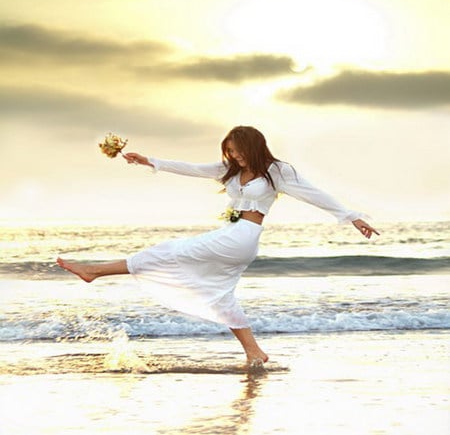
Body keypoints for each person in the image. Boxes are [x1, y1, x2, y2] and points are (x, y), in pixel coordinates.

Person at [57, 126, 379, 366]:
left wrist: (351, 216)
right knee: (219, 295)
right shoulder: (229, 171)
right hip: (230, 232)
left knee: (168, 252)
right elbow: (193, 169)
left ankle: (96, 271)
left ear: (254, 147)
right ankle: (254, 352)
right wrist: (148, 160)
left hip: (243, 236)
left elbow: (314, 194)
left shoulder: (277, 171)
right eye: (231, 152)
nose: (235, 157)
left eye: (239, 152)